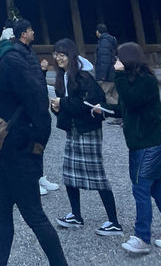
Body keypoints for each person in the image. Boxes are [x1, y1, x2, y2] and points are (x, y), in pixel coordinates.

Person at [0, 26, 68, 266]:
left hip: (20, 150)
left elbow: (37, 101)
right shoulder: (1, 62)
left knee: (34, 215)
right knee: (1, 211)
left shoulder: (9, 61)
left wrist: (37, 146)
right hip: (5, 151)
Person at [95, 42, 161, 255]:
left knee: (141, 189)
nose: (116, 62)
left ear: (128, 60)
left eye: (119, 58)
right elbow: (125, 108)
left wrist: (117, 77)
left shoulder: (145, 81)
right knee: (155, 189)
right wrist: (105, 109)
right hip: (145, 142)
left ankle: (143, 237)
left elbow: (132, 100)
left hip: (148, 143)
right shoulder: (135, 81)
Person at [49, 38, 122, 236]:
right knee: (69, 174)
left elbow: (88, 106)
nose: (58, 58)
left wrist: (62, 103)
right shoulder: (62, 77)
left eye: (62, 54)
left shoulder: (83, 77)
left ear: (71, 56)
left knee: (97, 175)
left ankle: (114, 221)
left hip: (88, 130)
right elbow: (66, 106)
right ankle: (75, 215)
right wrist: (56, 107)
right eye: (56, 54)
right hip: (73, 130)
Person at [12, 18, 60, 196]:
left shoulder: (28, 51)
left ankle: (39, 176)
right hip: (30, 108)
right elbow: (24, 81)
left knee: (39, 143)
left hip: (39, 104)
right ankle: (31, 180)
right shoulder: (17, 52)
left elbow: (33, 76)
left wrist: (43, 71)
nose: (33, 32)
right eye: (31, 29)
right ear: (23, 33)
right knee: (29, 145)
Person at [95, 23, 118, 107]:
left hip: (108, 74)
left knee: (105, 95)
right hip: (113, 71)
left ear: (98, 32)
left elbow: (104, 60)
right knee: (114, 95)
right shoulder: (112, 39)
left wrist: (102, 76)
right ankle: (119, 117)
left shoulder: (103, 42)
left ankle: (120, 113)